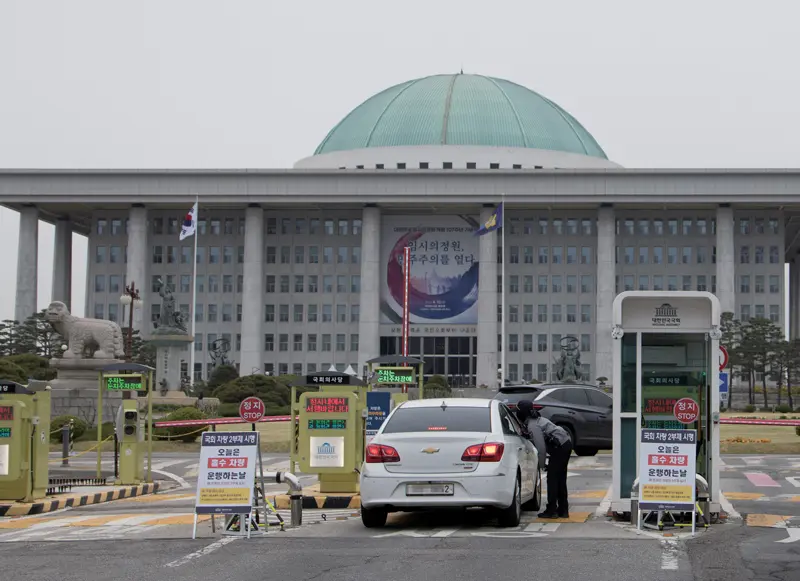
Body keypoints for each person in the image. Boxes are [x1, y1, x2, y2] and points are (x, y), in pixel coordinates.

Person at [515, 399, 573, 518]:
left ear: (523, 413)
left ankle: (552, 510)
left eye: (518, 411)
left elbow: (541, 448)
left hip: (560, 447)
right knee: (560, 478)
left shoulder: (533, 425)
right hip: (565, 443)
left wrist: (541, 465)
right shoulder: (535, 420)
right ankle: (563, 510)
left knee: (552, 479)